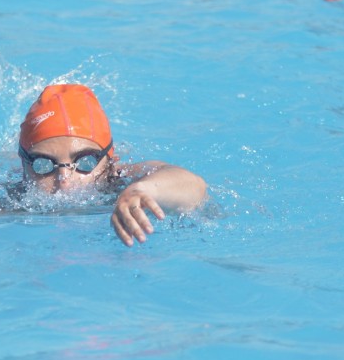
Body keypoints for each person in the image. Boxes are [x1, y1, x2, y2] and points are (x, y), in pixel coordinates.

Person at [16, 84, 207, 246]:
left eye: (85, 161)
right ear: (24, 169)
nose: (64, 180)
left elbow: (195, 186)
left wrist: (144, 190)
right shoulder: (5, 201)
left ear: (110, 162)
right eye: (43, 164)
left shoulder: (121, 181)